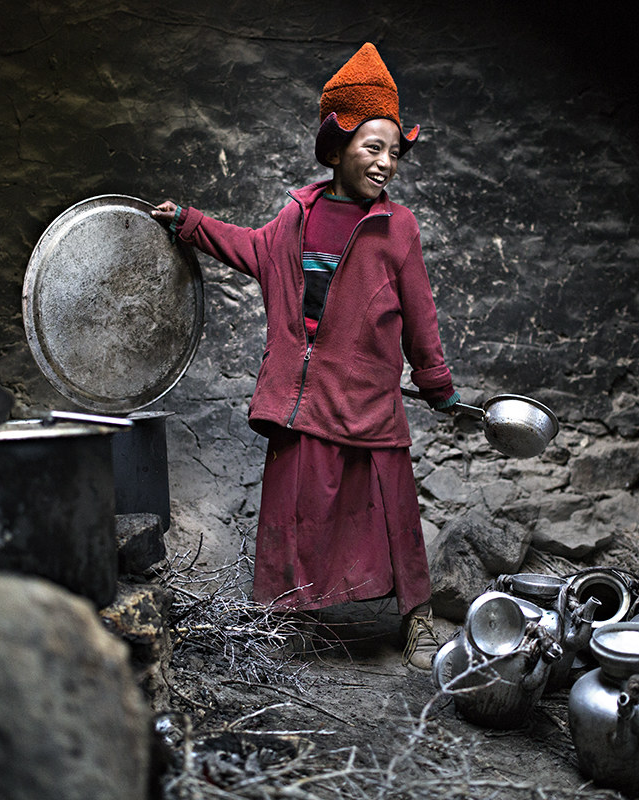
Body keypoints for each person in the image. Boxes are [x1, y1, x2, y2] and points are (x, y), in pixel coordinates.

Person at [151, 42, 459, 669]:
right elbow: (247, 248)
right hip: (302, 394)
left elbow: (420, 315)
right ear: (337, 147)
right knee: (296, 507)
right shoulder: (297, 217)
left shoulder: (397, 228)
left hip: (370, 396)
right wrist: (188, 222)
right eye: (372, 147)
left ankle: (418, 620)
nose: (385, 163)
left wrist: (436, 383)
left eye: (394, 151)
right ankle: (287, 619)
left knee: (394, 507)